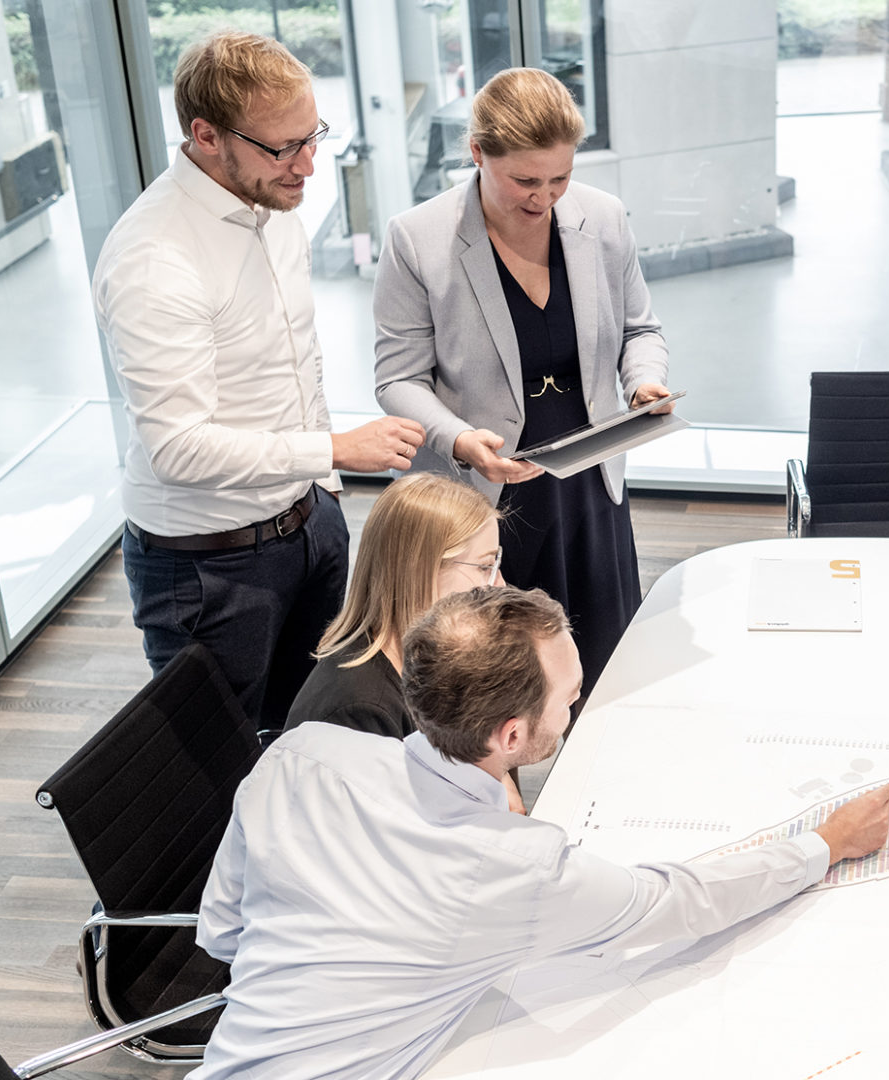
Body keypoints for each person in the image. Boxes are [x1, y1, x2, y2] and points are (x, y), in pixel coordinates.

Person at [193, 585, 889, 1078]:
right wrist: (825, 843)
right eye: (570, 698)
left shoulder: (299, 755)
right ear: (511, 734)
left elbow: (223, 934)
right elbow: (679, 901)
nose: (576, 704)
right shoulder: (515, 866)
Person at [93, 32, 425, 730]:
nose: (308, 165)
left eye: (313, 137)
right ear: (207, 136)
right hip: (208, 573)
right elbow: (178, 449)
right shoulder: (154, 260)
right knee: (223, 773)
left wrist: (322, 497)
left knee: (318, 732)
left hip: (308, 527)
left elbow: (296, 358)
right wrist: (333, 451)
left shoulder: (273, 208)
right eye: (283, 147)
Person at [374, 67, 671, 696]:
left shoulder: (604, 217)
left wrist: (644, 383)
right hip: (486, 487)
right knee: (489, 686)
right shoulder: (417, 238)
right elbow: (397, 379)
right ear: (478, 154)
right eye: (524, 180)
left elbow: (640, 331)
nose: (545, 197)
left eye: (560, 177)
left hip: (588, 479)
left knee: (602, 667)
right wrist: (457, 438)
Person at [281, 472, 533, 809]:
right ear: (423, 569)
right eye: (485, 565)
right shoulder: (361, 712)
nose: (499, 585)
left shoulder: (437, 656)